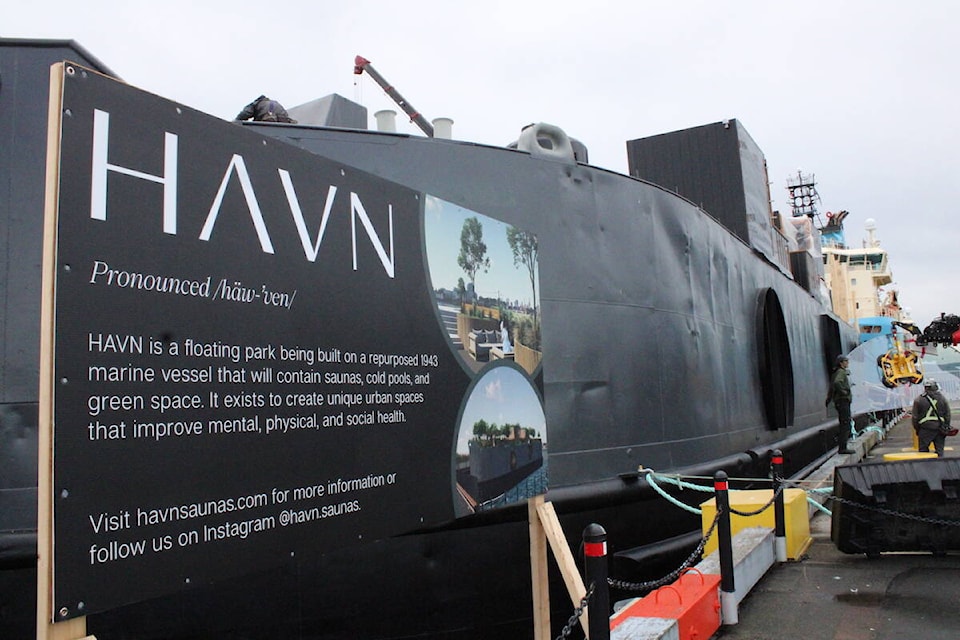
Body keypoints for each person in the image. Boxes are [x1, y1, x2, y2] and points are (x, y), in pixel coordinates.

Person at [912, 379, 952, 457]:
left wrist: (917, 429)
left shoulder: (919, 400)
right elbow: (947, 414)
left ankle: (925, 468)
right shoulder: (943, 399)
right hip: (940, 428)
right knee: (939, 451)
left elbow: (915, 417)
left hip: (925, 428)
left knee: (923, 453)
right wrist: (946, 426)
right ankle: (940, 467)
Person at [826, 354, 853, 454]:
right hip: (843, 401)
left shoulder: (836, 372)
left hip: (839, 402)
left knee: (843, 423)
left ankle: (841, 443)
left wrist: (829, 398)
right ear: (841, 363)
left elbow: (832, 386)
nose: (847, 363)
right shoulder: (841, 372)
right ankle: (843, 448)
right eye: (846, 361)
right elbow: (837, 383)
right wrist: (844, 392)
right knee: (845, 424)